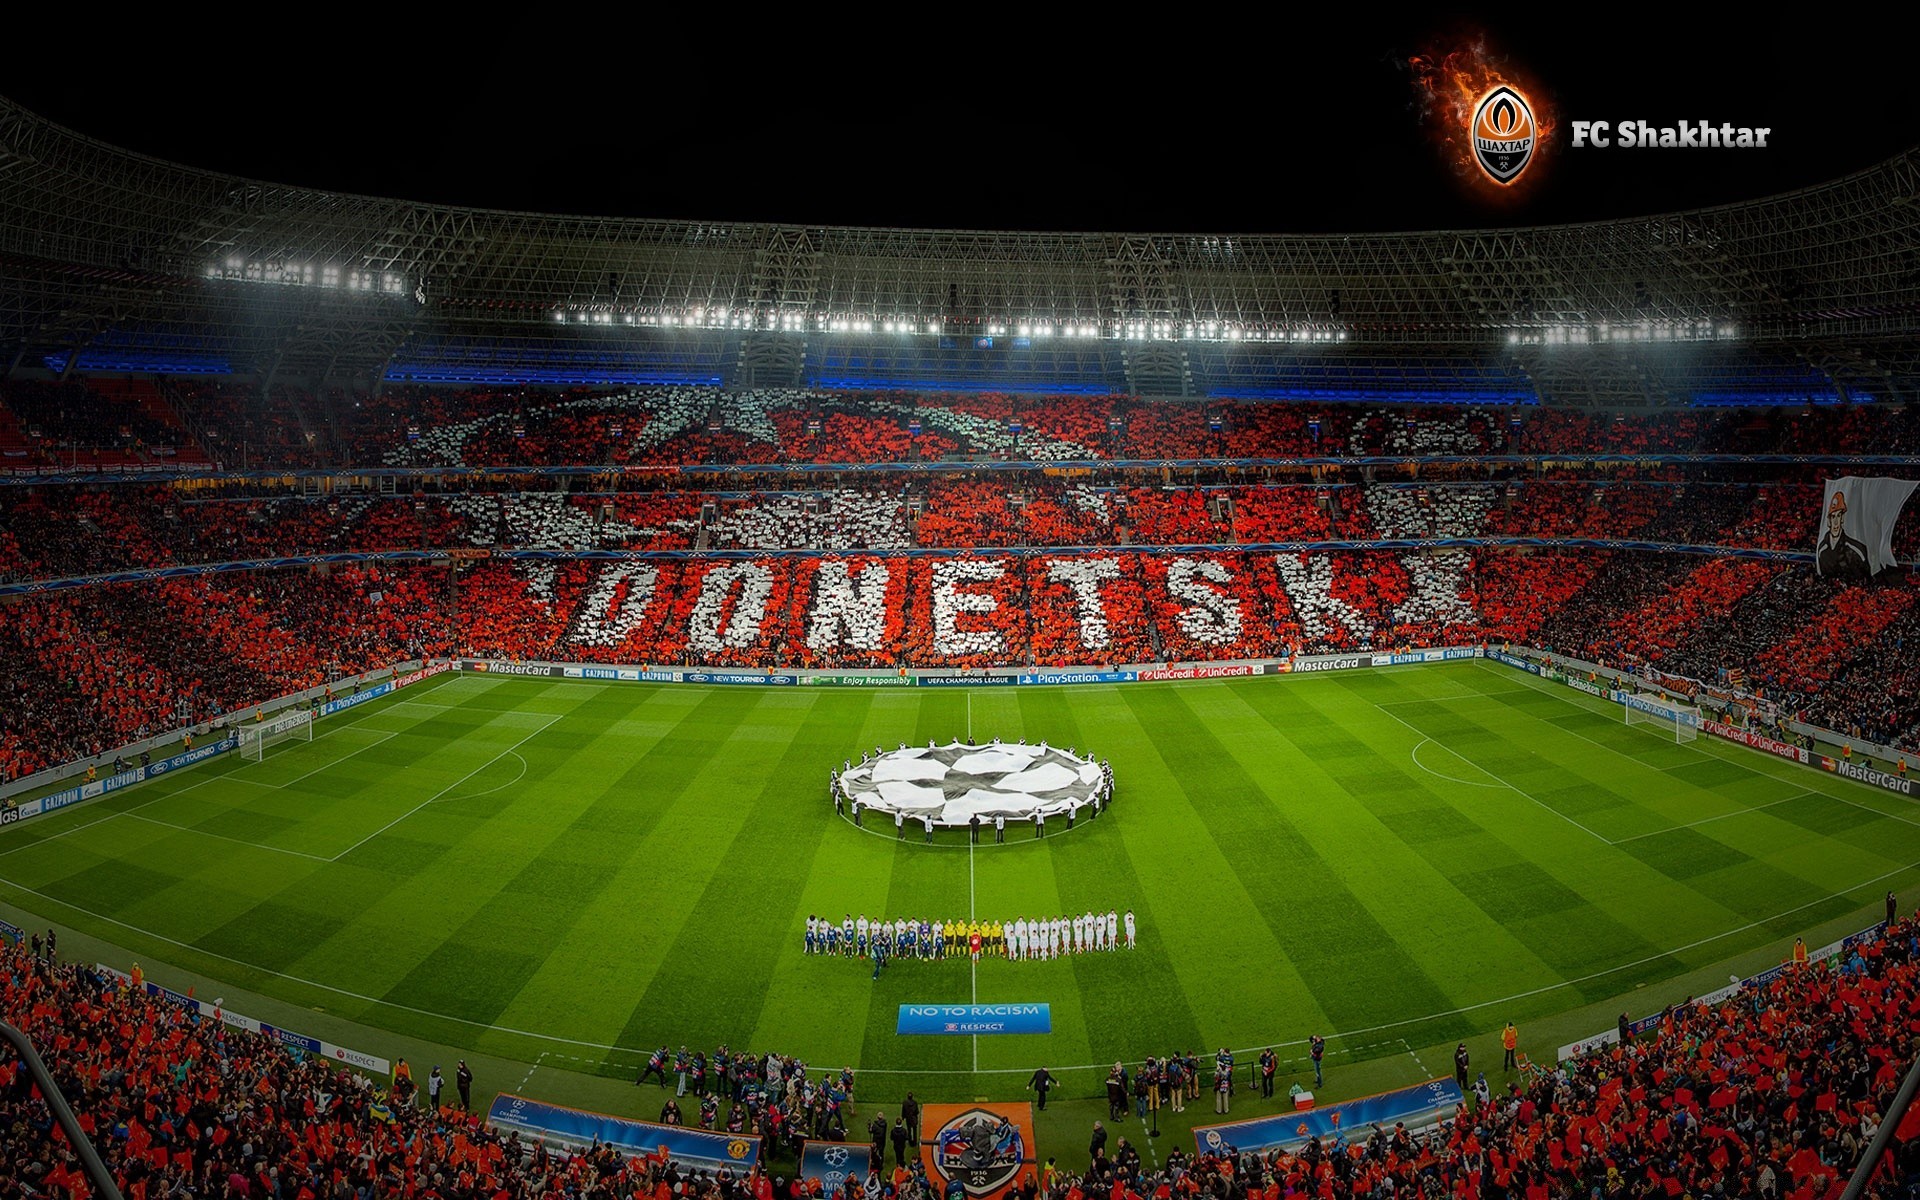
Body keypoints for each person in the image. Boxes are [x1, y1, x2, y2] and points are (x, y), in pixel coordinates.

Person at [1816, 490, 1871, 579]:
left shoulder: (1857, 548)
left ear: (1842, 518)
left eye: (1838, 516)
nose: (1836, 522)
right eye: (1833, 516)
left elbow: (1867, 572)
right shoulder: (1821, 548)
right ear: (1829, 520)